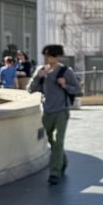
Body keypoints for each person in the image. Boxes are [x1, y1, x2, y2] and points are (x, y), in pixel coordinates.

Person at [28, 44, 83, 185]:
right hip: (47, 110)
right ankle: (62, 160)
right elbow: (30, 89)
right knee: (49, 140)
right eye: (45, 55)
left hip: (62, 111)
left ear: (57, 56)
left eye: (49, 55)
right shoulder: (41, 70)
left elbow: (78, 90)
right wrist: (38, 78)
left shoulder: (66, 71)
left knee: (58, 141)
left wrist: (65, 85)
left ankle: (55, 172)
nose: (46, 58)